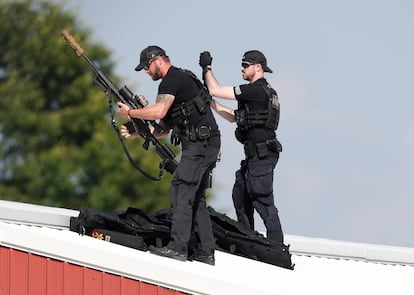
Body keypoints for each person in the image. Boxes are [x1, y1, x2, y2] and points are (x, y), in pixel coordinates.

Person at [118, 46, 220, 265]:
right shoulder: (178, 80)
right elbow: (163, 128)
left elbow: (158, 111)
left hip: (200, 144)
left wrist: (131, 112)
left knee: (181, 190)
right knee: (195, 197)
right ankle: (205, 251)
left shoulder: (172, 79)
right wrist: (137, 131)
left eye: (147, 66)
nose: (146, 71)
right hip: (204, 143)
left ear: (158, 61)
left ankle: (178, 248)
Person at [199, 50, 284, 244]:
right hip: (256, 156)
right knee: (241, 196)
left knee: (262, 200)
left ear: (258, 67)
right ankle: (249, 241)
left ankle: (277, 248)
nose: (241, 68)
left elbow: (215, 89)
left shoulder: (255, 90)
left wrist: (207, 68)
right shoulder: (259, 93)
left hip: (262, 155)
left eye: (245, 65)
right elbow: (233, 116)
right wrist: (211, 103)